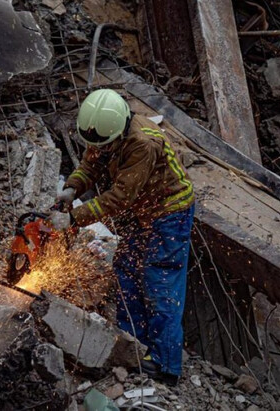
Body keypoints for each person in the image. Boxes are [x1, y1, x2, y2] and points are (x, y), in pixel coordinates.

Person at [48, 89, 195, 385]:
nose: (96, 148)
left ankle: (166, 366)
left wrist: (74, 218)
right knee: (126, 273)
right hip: (142, 212)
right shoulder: (105, 132)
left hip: (168, 214)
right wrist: (72, 187)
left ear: (119, 129)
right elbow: (92, 162)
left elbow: (120, 198)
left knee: (159, 282)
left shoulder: (143, 143)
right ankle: (134, 348)